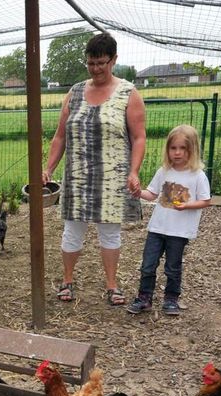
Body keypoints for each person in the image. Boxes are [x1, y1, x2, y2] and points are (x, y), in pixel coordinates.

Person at [43, 31, 146, 305]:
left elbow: (139, 138)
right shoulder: (75, 93)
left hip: (112, 177)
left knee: (109, 232)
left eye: (101, 62)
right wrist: (48, 168)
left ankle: (112, 285)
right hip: (77, 176)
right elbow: (60, 136)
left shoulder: (128, 93)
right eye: (91, 63)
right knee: (72, 230)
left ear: (114, 60)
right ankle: (67, 281)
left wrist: (133, 172)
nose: (96, 68)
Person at [126, 124, 212, 316]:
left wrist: (186, 205)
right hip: (157, 228)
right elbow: (152, 194)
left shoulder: (198, 175)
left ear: (192, 150)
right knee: (148, 265)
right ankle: (144, 297)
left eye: (183, 148)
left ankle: (171, 298)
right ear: (168, 150)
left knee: (173, 267)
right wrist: (139, 192)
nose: (178, 153)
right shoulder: (163, 171)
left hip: (179, 232)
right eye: (173, 148)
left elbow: (206, 201)